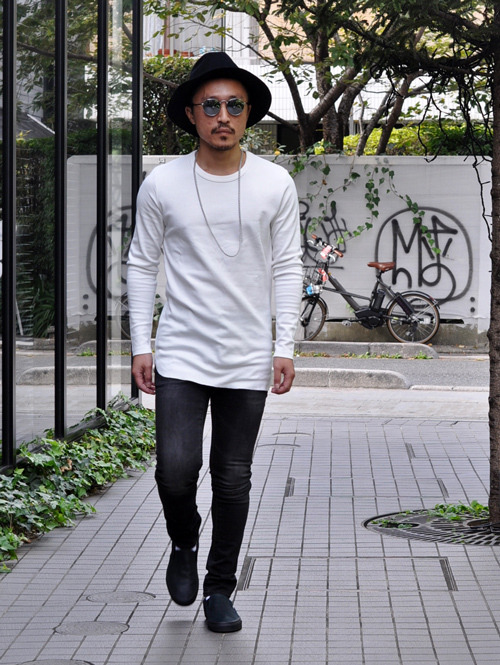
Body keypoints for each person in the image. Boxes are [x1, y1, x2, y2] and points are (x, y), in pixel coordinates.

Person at [127, 51, 302, 633]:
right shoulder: (163, 182)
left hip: (248, 354)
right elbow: (141, 263)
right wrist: (141, 344)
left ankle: (219, 589)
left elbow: (287, 266)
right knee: (175, 471)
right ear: (191, 114)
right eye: (210, 106)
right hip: (182, 349)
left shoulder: (275, 183)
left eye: (234, 105)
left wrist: (284, 345)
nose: (222, 116)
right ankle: (184, 540)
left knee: (232, 476)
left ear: (248, 114)